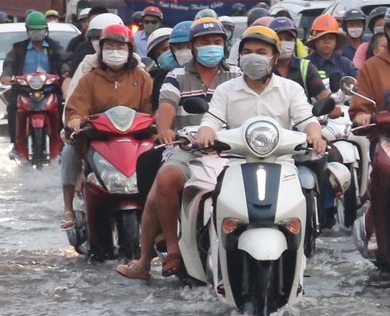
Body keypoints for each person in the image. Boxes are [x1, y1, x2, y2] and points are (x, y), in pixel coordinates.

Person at [117, 26, 327, 281]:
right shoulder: (223, 88)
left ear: (274, 57)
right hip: (228, 158)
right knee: (170, 184)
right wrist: (206, 132)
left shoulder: (290, 88)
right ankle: (170, 253)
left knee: (305, 191)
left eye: (261, 52)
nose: (254, 57)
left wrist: (314, 134)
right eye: (248, 51)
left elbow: (306, 118)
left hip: (279, 162)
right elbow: (211, 118)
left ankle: (302, 254)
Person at [124, 19, 233, 279]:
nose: (211, 47)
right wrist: (165, 129)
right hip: (189, 149)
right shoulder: (176, 76)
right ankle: (170, 250)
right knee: (164, 180)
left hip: (231, 151)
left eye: (217, 42)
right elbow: (167, 107)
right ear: (193, 46)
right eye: (205, 42)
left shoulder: (238, 75)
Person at [62, 23, 157, 229]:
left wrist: (158, 124)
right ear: (101, 50)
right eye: (110, 47)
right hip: (97, 139)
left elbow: (152, 109)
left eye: (120, 47)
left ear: (129, 51)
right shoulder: (90, 79)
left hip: (134, 140)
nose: (115, 52)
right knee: (69, 152)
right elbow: (76, 106)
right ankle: (68, 209)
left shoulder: (142, 78)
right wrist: (76, 119)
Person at [0, 10, 66, 150]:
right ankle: (14, 144)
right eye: (33, 30)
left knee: (63, 107)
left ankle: (63, 143)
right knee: (12, 107)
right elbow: (9, 63)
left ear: (46, 30)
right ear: (27, 31)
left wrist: (65, 73)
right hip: (23, 91)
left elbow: (63, 61)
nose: (36, 33)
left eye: (39, 30)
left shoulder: (55, 47)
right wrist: (6, 75)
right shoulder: (18, 48)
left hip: (50, 90)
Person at [306, 14, 353, 90]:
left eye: (331, 38)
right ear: (314, 41)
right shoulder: (305, 65)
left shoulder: (346, 64)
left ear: (336, 41)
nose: (327, 41)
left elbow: (358, 85)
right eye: (321, 38)